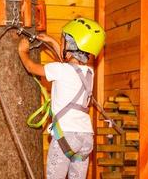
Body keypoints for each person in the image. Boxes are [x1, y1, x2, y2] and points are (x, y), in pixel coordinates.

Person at [18, 17, 105, 179]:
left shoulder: (59, 69)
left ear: (71, 46)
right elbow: (69, 65)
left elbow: (31, 67)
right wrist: (52, 41)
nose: (60, 42)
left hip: (66, 135)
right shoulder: (89, 73)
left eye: (62, 40)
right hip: (86, 137)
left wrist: (23, 51)